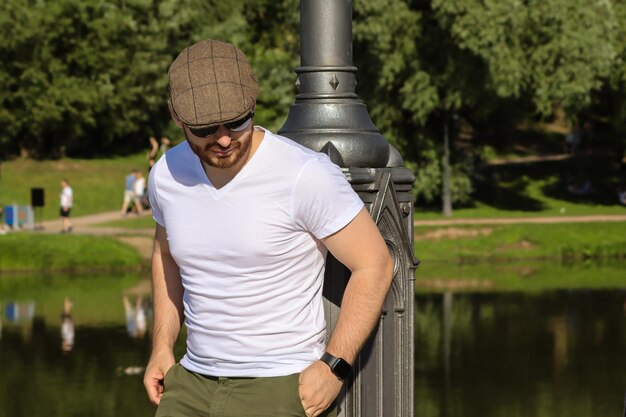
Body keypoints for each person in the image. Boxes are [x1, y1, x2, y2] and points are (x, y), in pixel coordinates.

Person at [143, 39, 394, 417]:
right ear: (177, 117)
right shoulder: (165, 174)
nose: (225, 139)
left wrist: (334, 367)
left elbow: (376, 264)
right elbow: (165, 256)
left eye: (238, 121)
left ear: (254, 105)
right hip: (189, 385)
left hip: (278, 387)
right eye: (206, 128)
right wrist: (162, 345)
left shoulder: (303, 174)